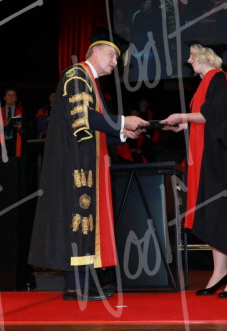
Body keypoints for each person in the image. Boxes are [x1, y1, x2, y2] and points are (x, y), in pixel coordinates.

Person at [29, 26, 148, 302]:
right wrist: (123, 121)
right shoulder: (76, 75)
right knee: (79, 221)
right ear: (96, 51)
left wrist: (123, 133)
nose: (115, 62)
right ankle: (76, 286)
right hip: (73, 163)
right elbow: (84, 117)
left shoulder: (90, 81)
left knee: (86, 223)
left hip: (85, 162)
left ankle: (84, 283)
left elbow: (95, 125)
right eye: (112, 56)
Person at [161, 43, 227, 299]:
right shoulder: (206, 83)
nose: (189, 61)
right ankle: (220, 271)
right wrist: (184, 125)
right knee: (215, 213)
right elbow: (205, 120)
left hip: (222, 160)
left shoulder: (217, 77)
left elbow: (212, 115)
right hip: (209, 160)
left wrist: (182, 116)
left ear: (206, 57)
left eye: (192, 56)